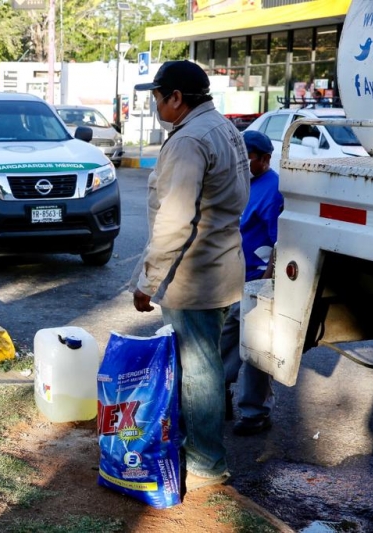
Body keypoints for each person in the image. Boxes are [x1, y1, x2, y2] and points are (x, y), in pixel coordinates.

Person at [131, 60, 251, 491]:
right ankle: (200, 452)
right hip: (221, 268)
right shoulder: (223, 128)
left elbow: (174, 221)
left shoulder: (189, 141)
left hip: (193, 275)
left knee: (199, 372)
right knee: (206, 365)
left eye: (158, 96)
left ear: (176, 98)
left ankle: (205, 464)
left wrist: (147, 282)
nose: (155, 104)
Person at [221, 131, 283, 436]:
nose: (241, 162)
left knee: (256, 350)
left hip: (257, 282)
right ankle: (220, 397)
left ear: (265, 159)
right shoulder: (241, 184)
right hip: (232, 281)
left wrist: (266, 279)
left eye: (248, 157)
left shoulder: (273, 190)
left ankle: (255, 412)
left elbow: (279, 242)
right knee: (225, 343)